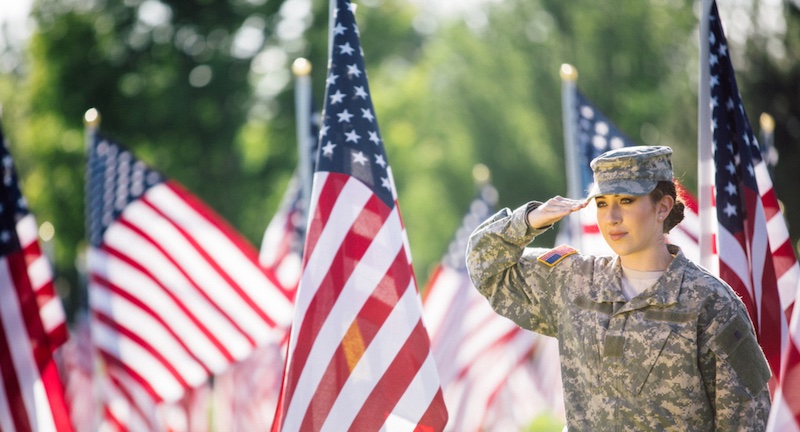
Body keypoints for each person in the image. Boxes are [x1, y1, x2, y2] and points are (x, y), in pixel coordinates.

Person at [466, 146, 771, 431]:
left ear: (663, 206)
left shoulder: (710, 302)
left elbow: (747, 418)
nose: (611, 218)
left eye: (626, 201)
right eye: (601, 203)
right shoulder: (574, 282)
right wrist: (528, 221)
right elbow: (486, 267)